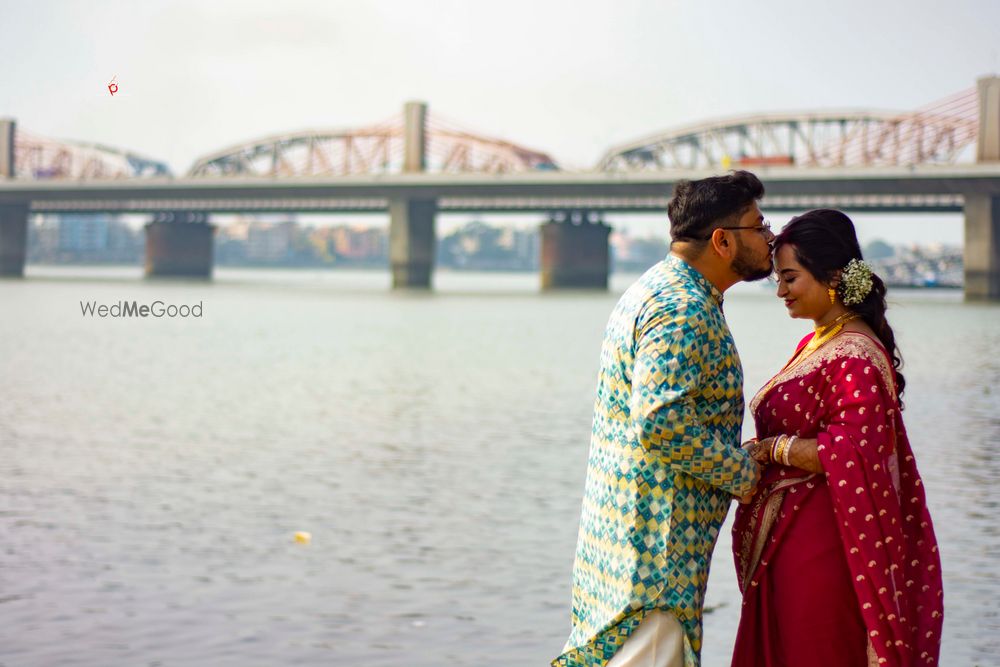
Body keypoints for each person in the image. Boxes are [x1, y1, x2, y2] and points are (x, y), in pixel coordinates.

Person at [553, 171, 775, 667]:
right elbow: (660, 420)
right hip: (657, 552)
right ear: (722, 241)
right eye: (759, 226)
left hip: (627, 542)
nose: (770, 238)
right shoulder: (683, 307)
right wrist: (745, 475)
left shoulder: (654, 288)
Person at [731, 209, 943, 667]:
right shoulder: (823, 340)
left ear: (831, 277)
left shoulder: (855, 354)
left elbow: (850, 450)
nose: (781, 291)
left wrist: (770, 449)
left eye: (790, 278)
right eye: (777, 281)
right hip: (796, 541)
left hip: (822, 548)